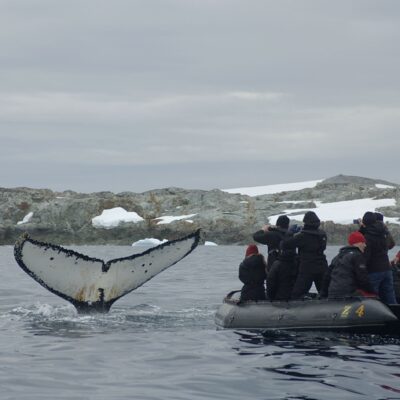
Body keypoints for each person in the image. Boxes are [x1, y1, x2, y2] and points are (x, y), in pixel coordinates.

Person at [283, 211, 328, 299]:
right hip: (322, 266)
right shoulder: (323, 234)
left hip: (307, 268)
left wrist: (290, 233)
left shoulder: (303, 236)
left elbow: (285, 244)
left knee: (297, 295)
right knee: (324, 293)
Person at [321, 231, 375, 298]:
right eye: (363, 242)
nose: (365, 245)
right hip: (348, 293)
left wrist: (323, 295)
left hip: (333, 293)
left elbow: (327, 276)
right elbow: (363, 279)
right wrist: (373, 292)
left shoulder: (338, 256)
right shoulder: (357, 256)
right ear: (357, 243)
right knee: (372, 296)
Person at [359, 211, 397, 304]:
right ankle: (395, 315)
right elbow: (391, 244)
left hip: (374, 270)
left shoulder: (367, 236)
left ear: (364, 222)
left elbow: (366, 256)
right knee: (389, 296)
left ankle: (371, 317)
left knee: (371, 297)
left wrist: (360, 267)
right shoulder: (383, 232)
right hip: (386, 268)